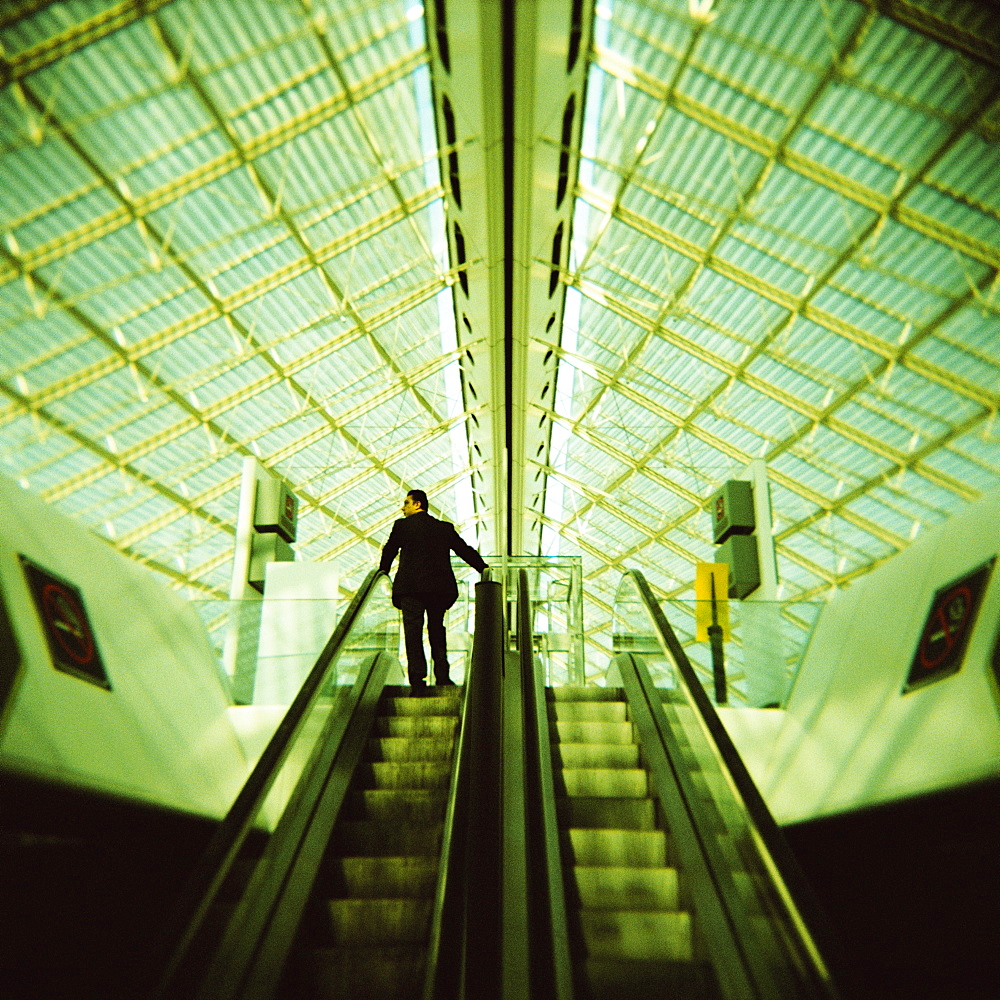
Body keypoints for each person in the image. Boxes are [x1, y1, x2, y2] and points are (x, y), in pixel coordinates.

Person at [379, 490, 488, 694]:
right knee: (437, 630)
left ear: (418, 504)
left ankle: (418, 681)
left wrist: (383, 571)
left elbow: (390, 549)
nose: (403, 508)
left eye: (406, 503)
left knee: (413, 633)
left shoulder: (402, 526)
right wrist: (483, 568)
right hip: (438, 590)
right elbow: (464, 550)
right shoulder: (443, 528)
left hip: (410, 589)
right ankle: (442, 676)